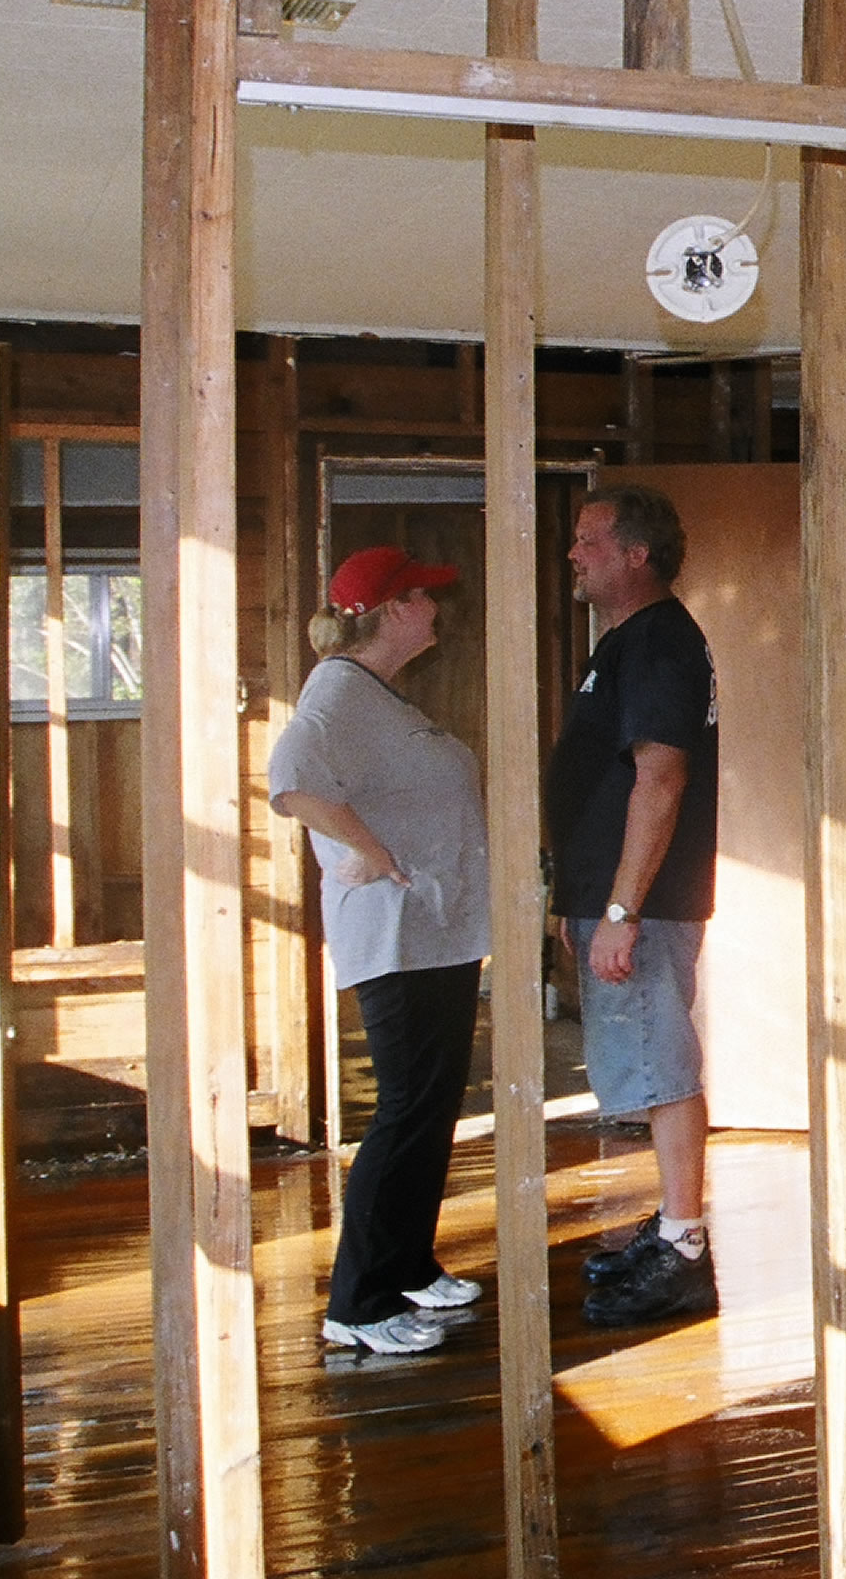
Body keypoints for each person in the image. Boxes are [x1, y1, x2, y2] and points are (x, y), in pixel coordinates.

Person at [270, 544, 493, 1357]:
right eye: (425, 596)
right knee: (406, 1108)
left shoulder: (376, 694)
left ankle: (406, 1264)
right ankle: (358, 1304)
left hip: (434, 932)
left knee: (431, 1105)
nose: (437, 608)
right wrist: (369, 851)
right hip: (396, 934)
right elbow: (292, 778)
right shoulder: (338, 688)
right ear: (395, 609)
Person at [547, 485, 722, 1329]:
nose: (573, 555)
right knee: (650, 1067)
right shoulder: (627, 642)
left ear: (635, 554)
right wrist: (580, 900)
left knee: (662, 1066)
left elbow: (661, 779)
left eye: (588, 541)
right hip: (617, 900)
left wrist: (620, 910)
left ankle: (684, 1250)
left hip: (642, 908)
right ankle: (670, 1228)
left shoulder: (657, 643)